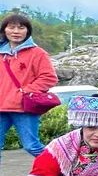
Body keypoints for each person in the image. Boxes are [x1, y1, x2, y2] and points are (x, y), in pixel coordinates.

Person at [0, 12, 58, 159]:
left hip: (24, 108)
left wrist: (24, 91)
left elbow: (49, 78)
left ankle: (62, 173)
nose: (16, 31)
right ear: (4, 30)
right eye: (11, 27)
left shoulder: (37, 53)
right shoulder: (1, 53)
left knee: (31, 146)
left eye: (21, 28)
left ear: (27, 31)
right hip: (1, 107)